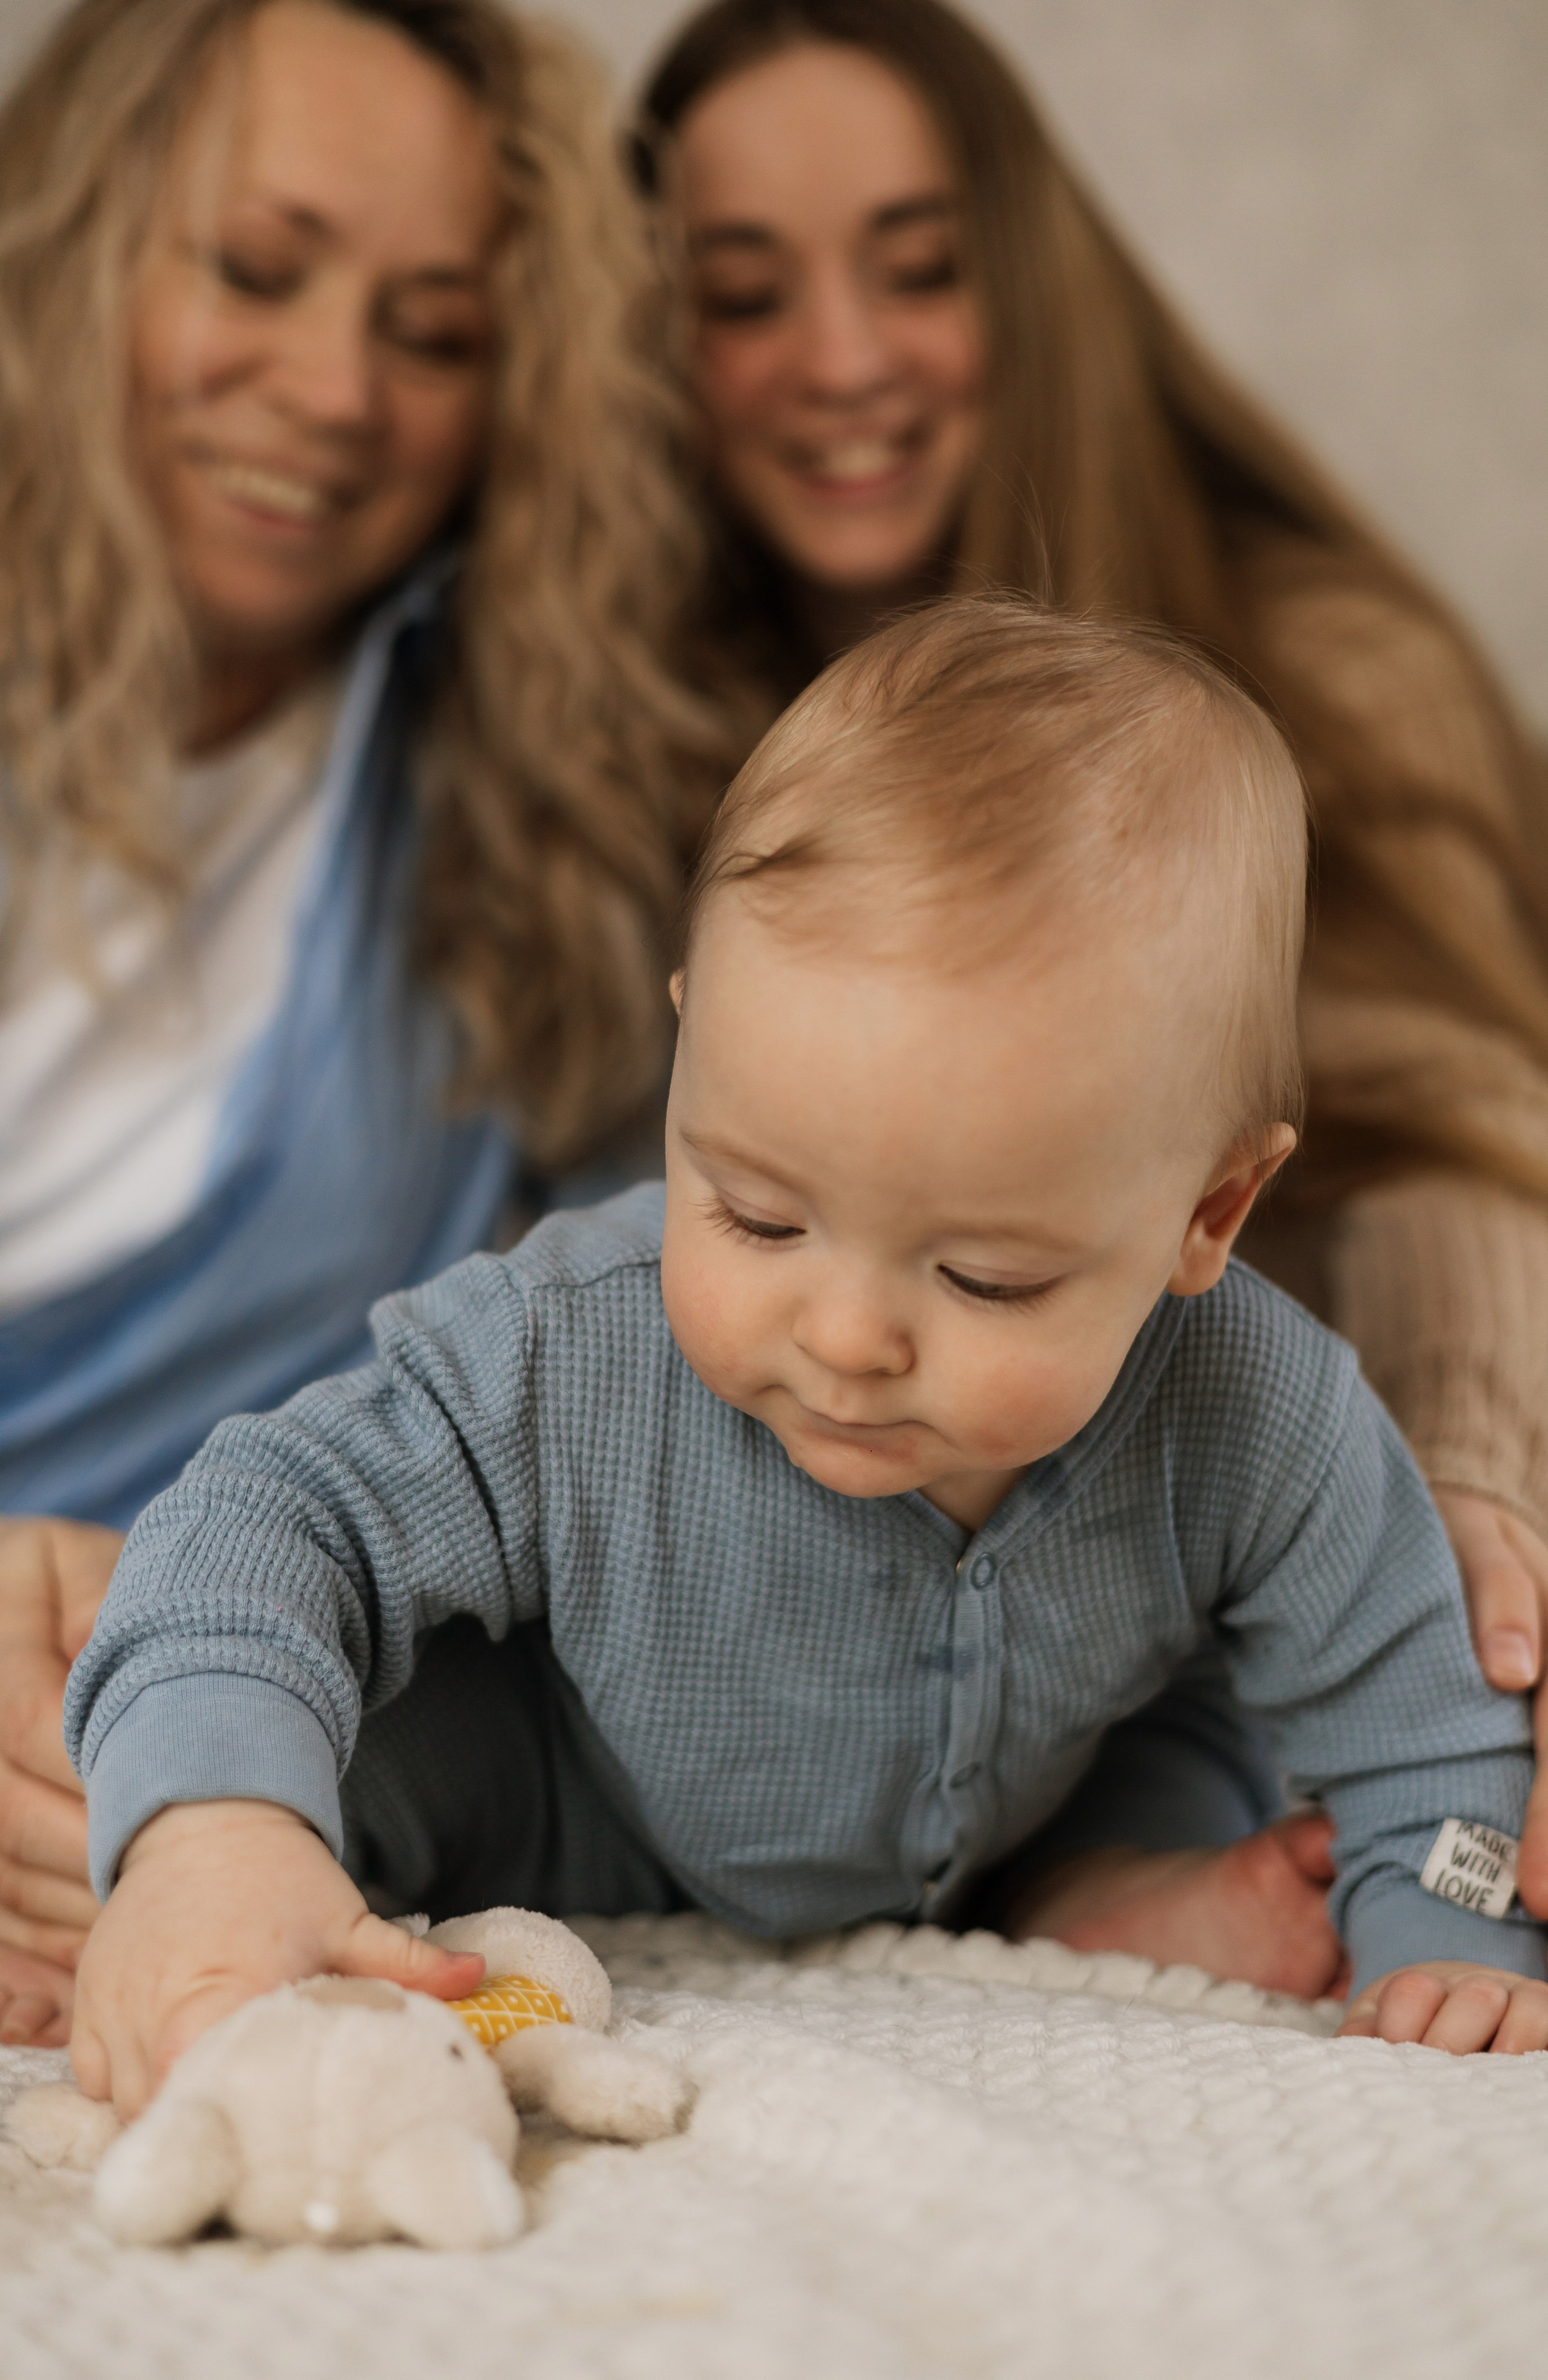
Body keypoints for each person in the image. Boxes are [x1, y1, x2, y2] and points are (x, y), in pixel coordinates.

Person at [67, 601, 1548, 2122]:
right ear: (689, 1060)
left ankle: (1088, 1898)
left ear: (1206, 1212)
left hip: (1025, 1809)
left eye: (984, 1276)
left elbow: (1418, 1704)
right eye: (756, 1212)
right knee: (256, 1773)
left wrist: (1454, 1947)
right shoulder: (563, 1350)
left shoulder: (1257, 1405)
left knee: (1215, 1741)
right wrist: (214, 1831)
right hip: (550, 1787)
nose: (848, 1338)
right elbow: (274, 1511)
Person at [631, 0, 1548, 1984]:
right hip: (947, 1546)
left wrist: (1475, 1476)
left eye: (921, 267)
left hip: (1327, 1447)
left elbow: (1460, 1125)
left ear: (1034, 274)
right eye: (744, 295)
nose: (841, 358)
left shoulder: (1308, 660)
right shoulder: (638, 719)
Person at [0, 0, 728, 2043]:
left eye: (433, 332)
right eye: (254, 268)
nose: (332, 391)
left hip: (198, 1731)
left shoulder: (551, 812)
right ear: (72, 241)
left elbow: (639, 1435)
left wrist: (192, 1732)